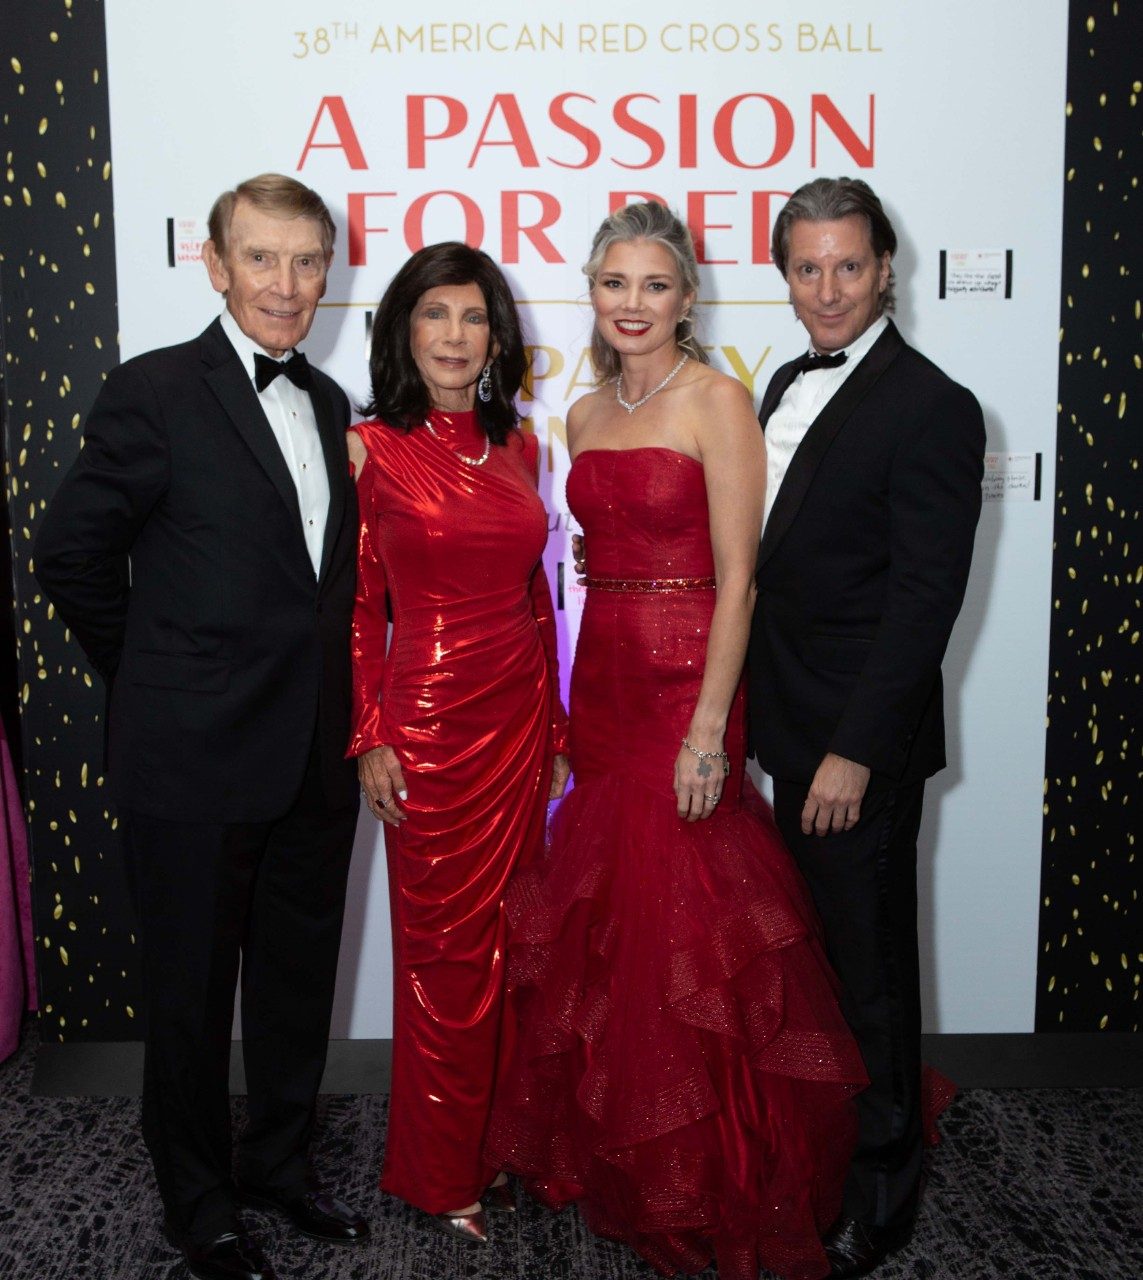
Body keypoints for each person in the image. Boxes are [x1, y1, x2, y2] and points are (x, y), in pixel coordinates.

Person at [486, 202, 868, 1280]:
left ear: (687, 296)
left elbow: (743, 578)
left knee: (687, 908)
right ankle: (619, 1149)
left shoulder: (718, 401)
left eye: (656, 285)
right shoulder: (586, 409)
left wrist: (710, 728)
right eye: (616, 284)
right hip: (603, 675)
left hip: (688, 681)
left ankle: (712, 1165)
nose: (635, 304)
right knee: (611, 911)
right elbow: (580, 571)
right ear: (593, 294)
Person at [34, 174, 368, 1280]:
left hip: (313, 754)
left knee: (293, 985)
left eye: (306, 260)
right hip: (190, 757)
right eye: (261, 258)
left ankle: (278, 1165)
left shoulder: (327, 402)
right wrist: (151, 679)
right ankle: (201, 1207)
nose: (286, 283)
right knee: (188, 998)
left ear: (329, 270)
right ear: (215, 264)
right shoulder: (155, 390)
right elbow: (69, 554)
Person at [749, 177, 985, 1277]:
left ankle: (884, 1193)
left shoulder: (932, 401)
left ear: (886, 267)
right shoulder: (786, 382)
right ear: (785, 274)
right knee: (807, 970)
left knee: (870, 971)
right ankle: (821, 1150)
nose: (828, 288)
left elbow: (922, 601)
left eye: (849, 265)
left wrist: (853, 749)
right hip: (776, 729)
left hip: (852, 750)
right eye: (808, 267)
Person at [347, 242, 570, 1244]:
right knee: (444, 960)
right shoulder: (370, 448)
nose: (452, 335)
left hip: (519, 721)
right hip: (428, 728)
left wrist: (559, 723)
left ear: (495, 336)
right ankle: (438, 1172)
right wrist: (368, 733)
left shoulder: (523, 447)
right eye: (434, 314)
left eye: (472, 317)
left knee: (516, 946)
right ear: (403, 329)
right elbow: (358, 607)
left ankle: (501, 1146)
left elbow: (536, 595)